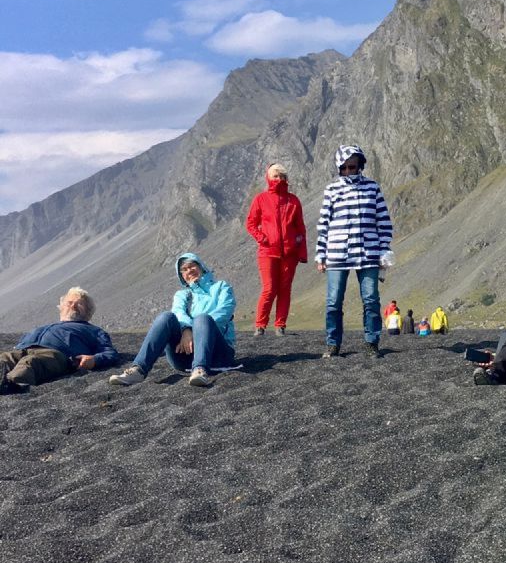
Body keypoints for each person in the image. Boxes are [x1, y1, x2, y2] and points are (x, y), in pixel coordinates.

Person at [108, 253, 238, 388]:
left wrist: (195, 331)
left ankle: (200, 369)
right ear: (182, 276)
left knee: (202, 318)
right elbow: (178, 312)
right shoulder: (182, 295)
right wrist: (186, 329)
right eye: (184, 270)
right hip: (184, 358)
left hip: (218, 356)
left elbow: (224, 312)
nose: (189, 271)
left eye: (192, 266)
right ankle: (138, 370)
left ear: (201, 267)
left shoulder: (221, 287)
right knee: (166, 317)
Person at [315, 144, 393, 359]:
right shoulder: (332, 190)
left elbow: (384, 222)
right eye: (345, 167)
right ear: (339, 168)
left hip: (368, 252)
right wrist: (320, 255)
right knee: (333, 301)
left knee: (371, 299)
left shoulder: (373, 188)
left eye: (353, 167)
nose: (349, 171)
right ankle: (333, 344)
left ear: (360, 165)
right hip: (337, 253)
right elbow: (323, 224)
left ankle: (372, 342)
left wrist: (384, 249)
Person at [1, 288, 118, 394]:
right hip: (23, 349)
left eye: (80, 304)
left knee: (30, 363)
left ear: (88, 311)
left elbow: (109, 353)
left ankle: (12, 387)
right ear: (61, 307)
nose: (73, 305)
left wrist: (95, 359)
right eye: (69, 302)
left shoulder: (93, 330)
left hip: (56, 355)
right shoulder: (45, 327)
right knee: (4, 358)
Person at [244, 163, 307, 335]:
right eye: (275, 176)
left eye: (282, 176)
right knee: (269, 288)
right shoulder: (261, 199)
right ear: (268, 178)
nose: (279, 179)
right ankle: (260, 325)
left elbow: (300, 228)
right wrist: (262, 238)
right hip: (267, 252)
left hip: (289, 253)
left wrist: (300, 251)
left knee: (285, 289)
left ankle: (280, 325)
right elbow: (251, 223)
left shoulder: (293, 200)